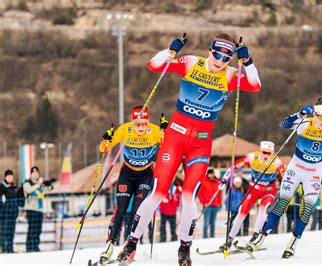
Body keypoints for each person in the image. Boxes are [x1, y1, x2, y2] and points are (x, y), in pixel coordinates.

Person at [117, 33, 261, 265]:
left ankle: (184, 249)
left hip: (201, 144)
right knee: (158, 193)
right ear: (209, 51)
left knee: (189, 198)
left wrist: (249, 62)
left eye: (226, 58)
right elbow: (154, 65)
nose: (220, 61)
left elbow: (255, 85)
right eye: (217, 54)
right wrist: (170, 51)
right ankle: (131, 243)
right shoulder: (192, 62)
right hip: (174, 138)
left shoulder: (232, 75)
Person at [247, 96, 322, 258]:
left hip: (313, 173)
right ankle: (260, 238)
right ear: (315, 115)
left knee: (307, 209)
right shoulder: (304, 123)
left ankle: (293, 243)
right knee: (281, 203)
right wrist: (299, 114)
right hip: (295, 169)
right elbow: (283, 124)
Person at [98, 106, 166, 262]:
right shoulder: (125, 130)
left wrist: (165, 132)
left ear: (148, 122)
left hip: (145, 175)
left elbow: (167, 145)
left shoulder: (154, 131)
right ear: (132, 121)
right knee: (121, 208)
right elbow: (104, 148)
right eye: (138, 124)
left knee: (137, 211)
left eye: (144, 123)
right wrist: (106, 140)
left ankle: (129, 247)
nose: (141, 127)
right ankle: (110, 245)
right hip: (127, 174)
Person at [218, 141, 286, 250]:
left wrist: (287, 191)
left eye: (269, 153)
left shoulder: (276, 162)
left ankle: (255, 237)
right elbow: (234, 166)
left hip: (268, 191)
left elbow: (287, 178)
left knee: (263, 210)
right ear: (260, 151)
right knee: (242, 212)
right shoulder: (251, 157)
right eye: (264, 152)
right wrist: (224, 179)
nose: (266, 156)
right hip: (253, 189)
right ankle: (229, 239)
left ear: (272, 153)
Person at [23, 166, 53, 252]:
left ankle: (36, 246)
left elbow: (49, 189)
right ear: (31, 174)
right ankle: (29, 247)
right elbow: (29, 190)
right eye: (33, 173)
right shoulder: (27, 183)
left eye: (37, 173)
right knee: (31, 228)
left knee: (38, 229)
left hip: (39, 210)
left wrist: (47, 183)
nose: (35, 175)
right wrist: (38, 184)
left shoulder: (40, 184)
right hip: (31, 209)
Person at [197, 168, 222, 239]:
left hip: (215, 206)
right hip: (208, 206)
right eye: (210, 174)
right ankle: (205, 237)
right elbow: (199, 194)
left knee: (213, 223)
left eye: (212, 173)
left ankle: (212, 237)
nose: (211, 175)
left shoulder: (217, 182)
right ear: (208, 174)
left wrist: (219, 203)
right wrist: (203, 202)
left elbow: (219, 193)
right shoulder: (204, 182)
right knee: (206, 223)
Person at [0, 170, 20, 253]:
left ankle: (10, 248)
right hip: (5, 213)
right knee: (5, 231)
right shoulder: (2, 186)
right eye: (8, 176)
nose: (9, 177)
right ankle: (4, 248)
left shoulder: (14, 187)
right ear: (5, 177)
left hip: (13, 212)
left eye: (11, 176)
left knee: (11, 231)